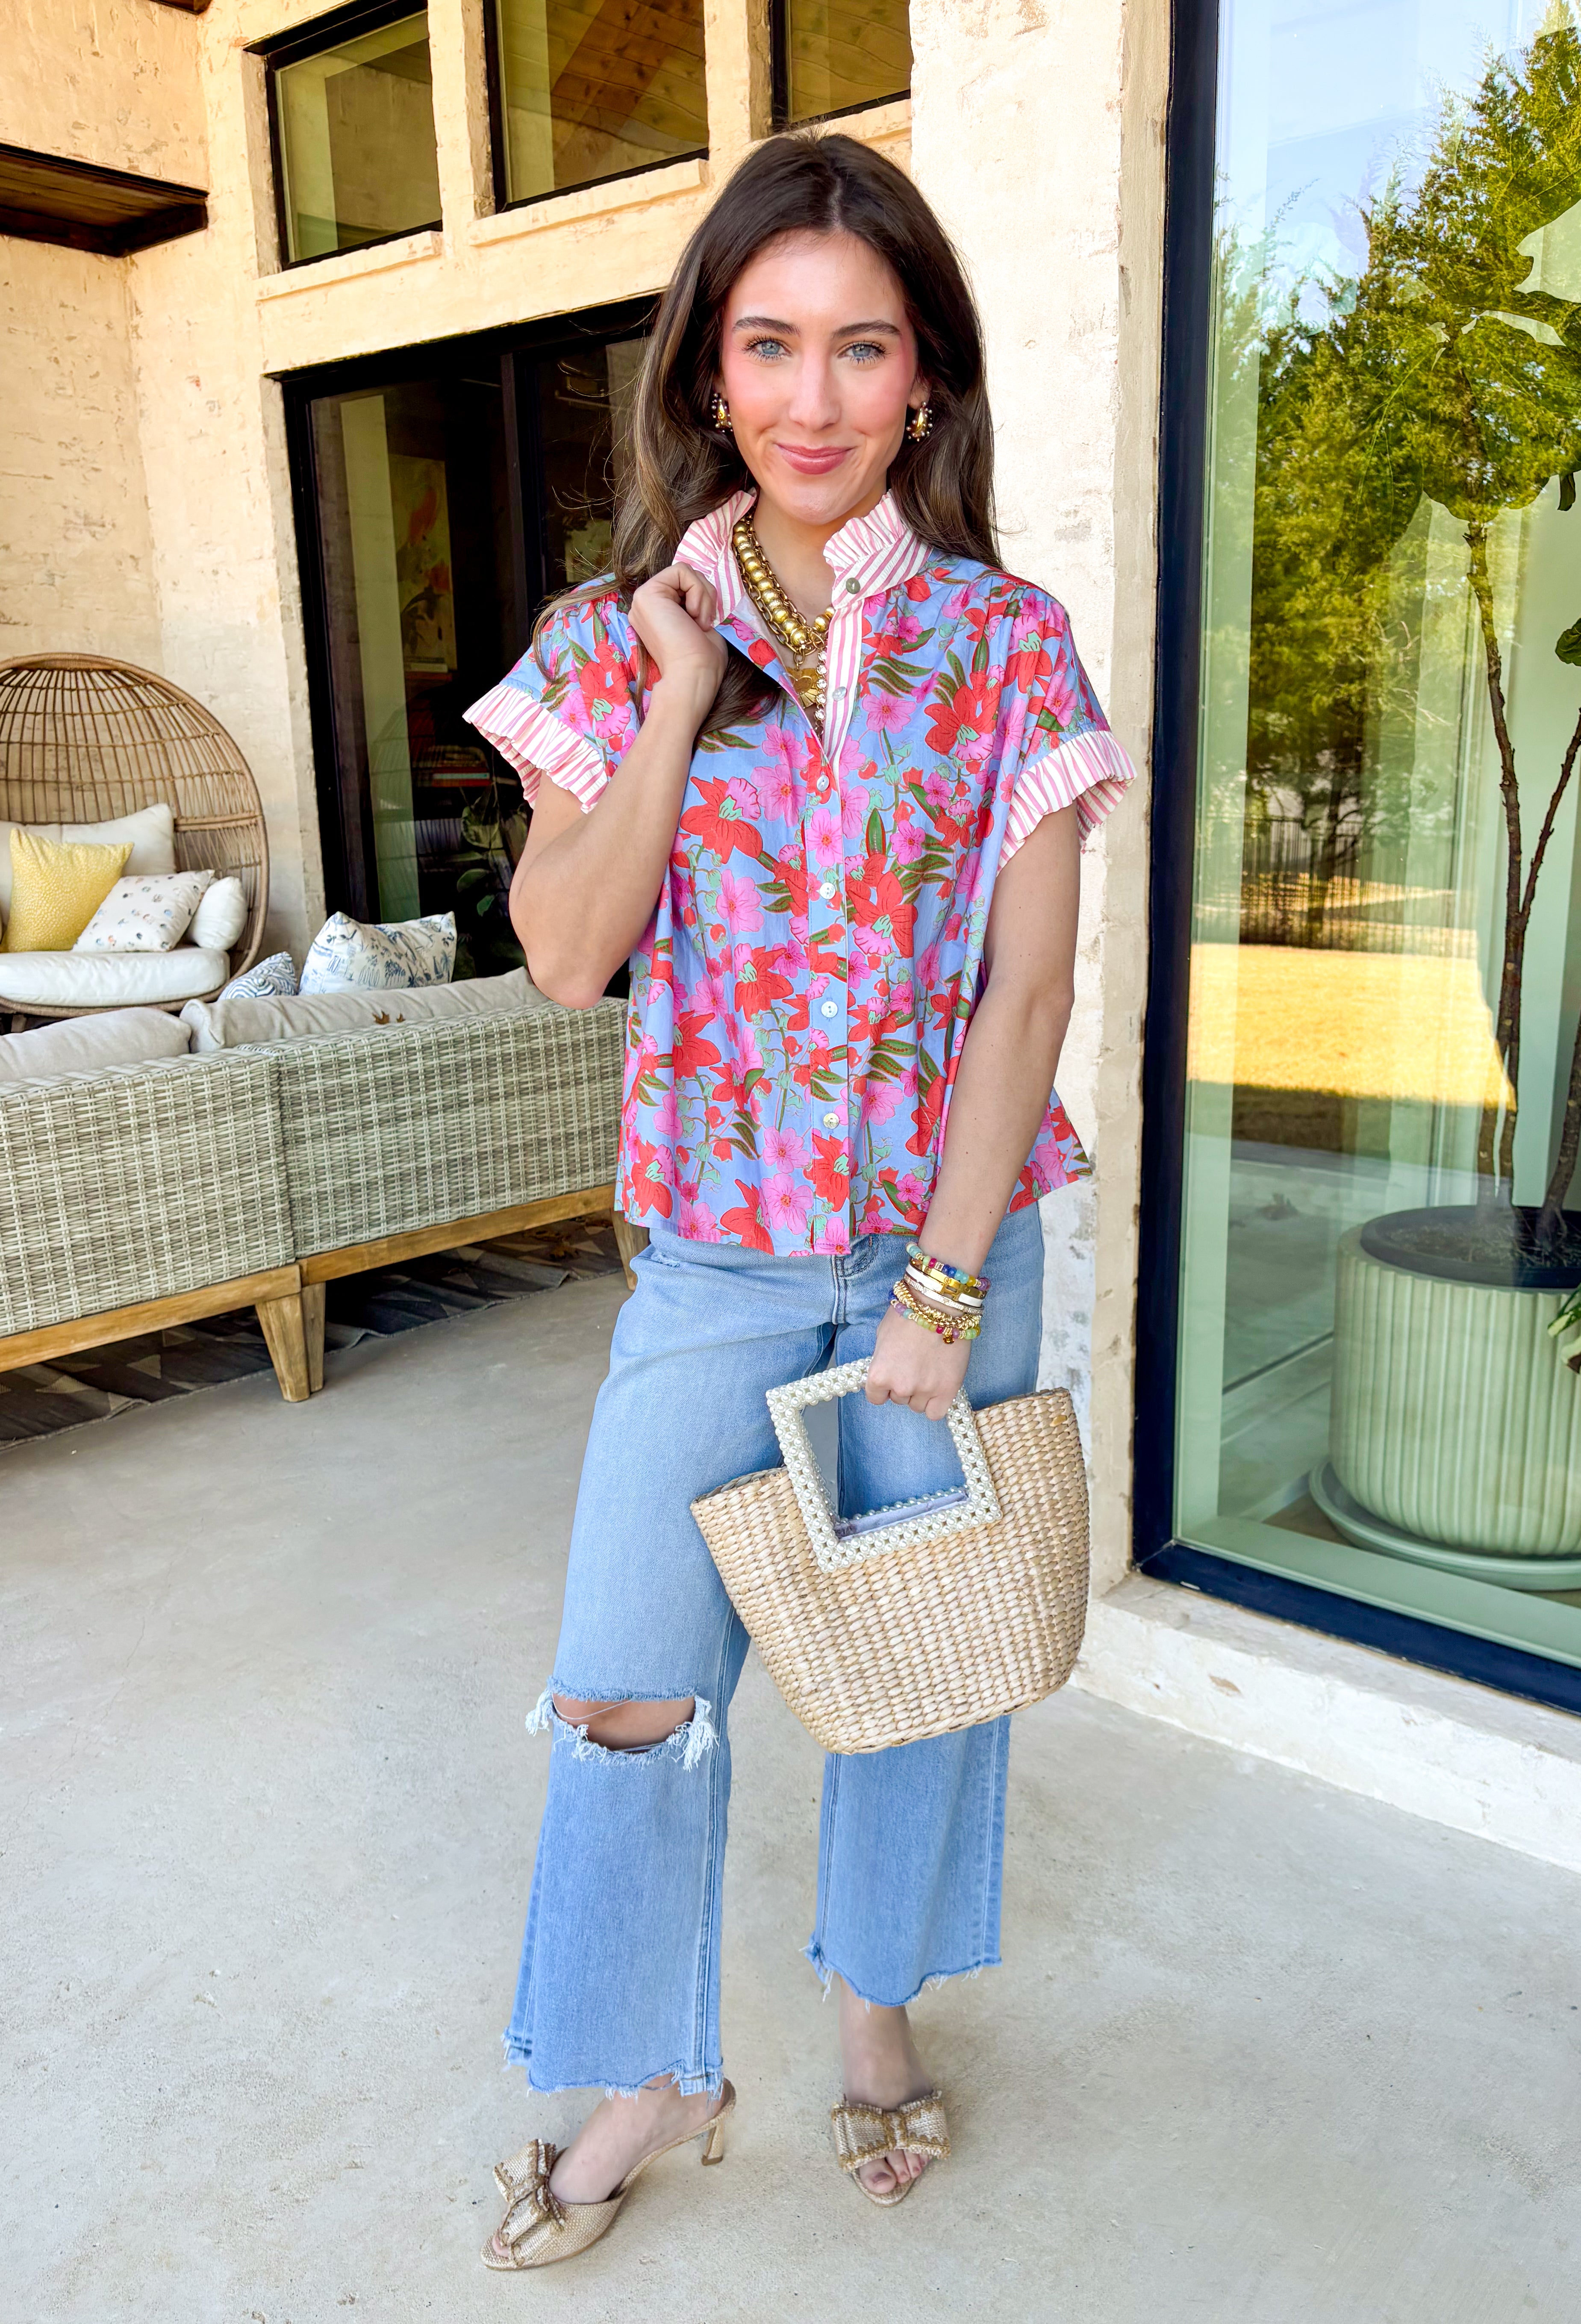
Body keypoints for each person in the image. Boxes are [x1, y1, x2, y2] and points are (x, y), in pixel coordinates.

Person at [464, 130, 1134, 2271]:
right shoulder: (603, 640)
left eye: (863, 347)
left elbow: (1029, 986)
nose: (816, 396)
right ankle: (653, 2067)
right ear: (710, 371)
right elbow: (570, 950)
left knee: (918, 1668)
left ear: (924, 378)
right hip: (718, 1262)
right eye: (771, 345)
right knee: (625, 1687)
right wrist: (676, 697)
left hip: (949, 1248)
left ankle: (870, 2021)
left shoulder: (1009, 648)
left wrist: (942, 1292)